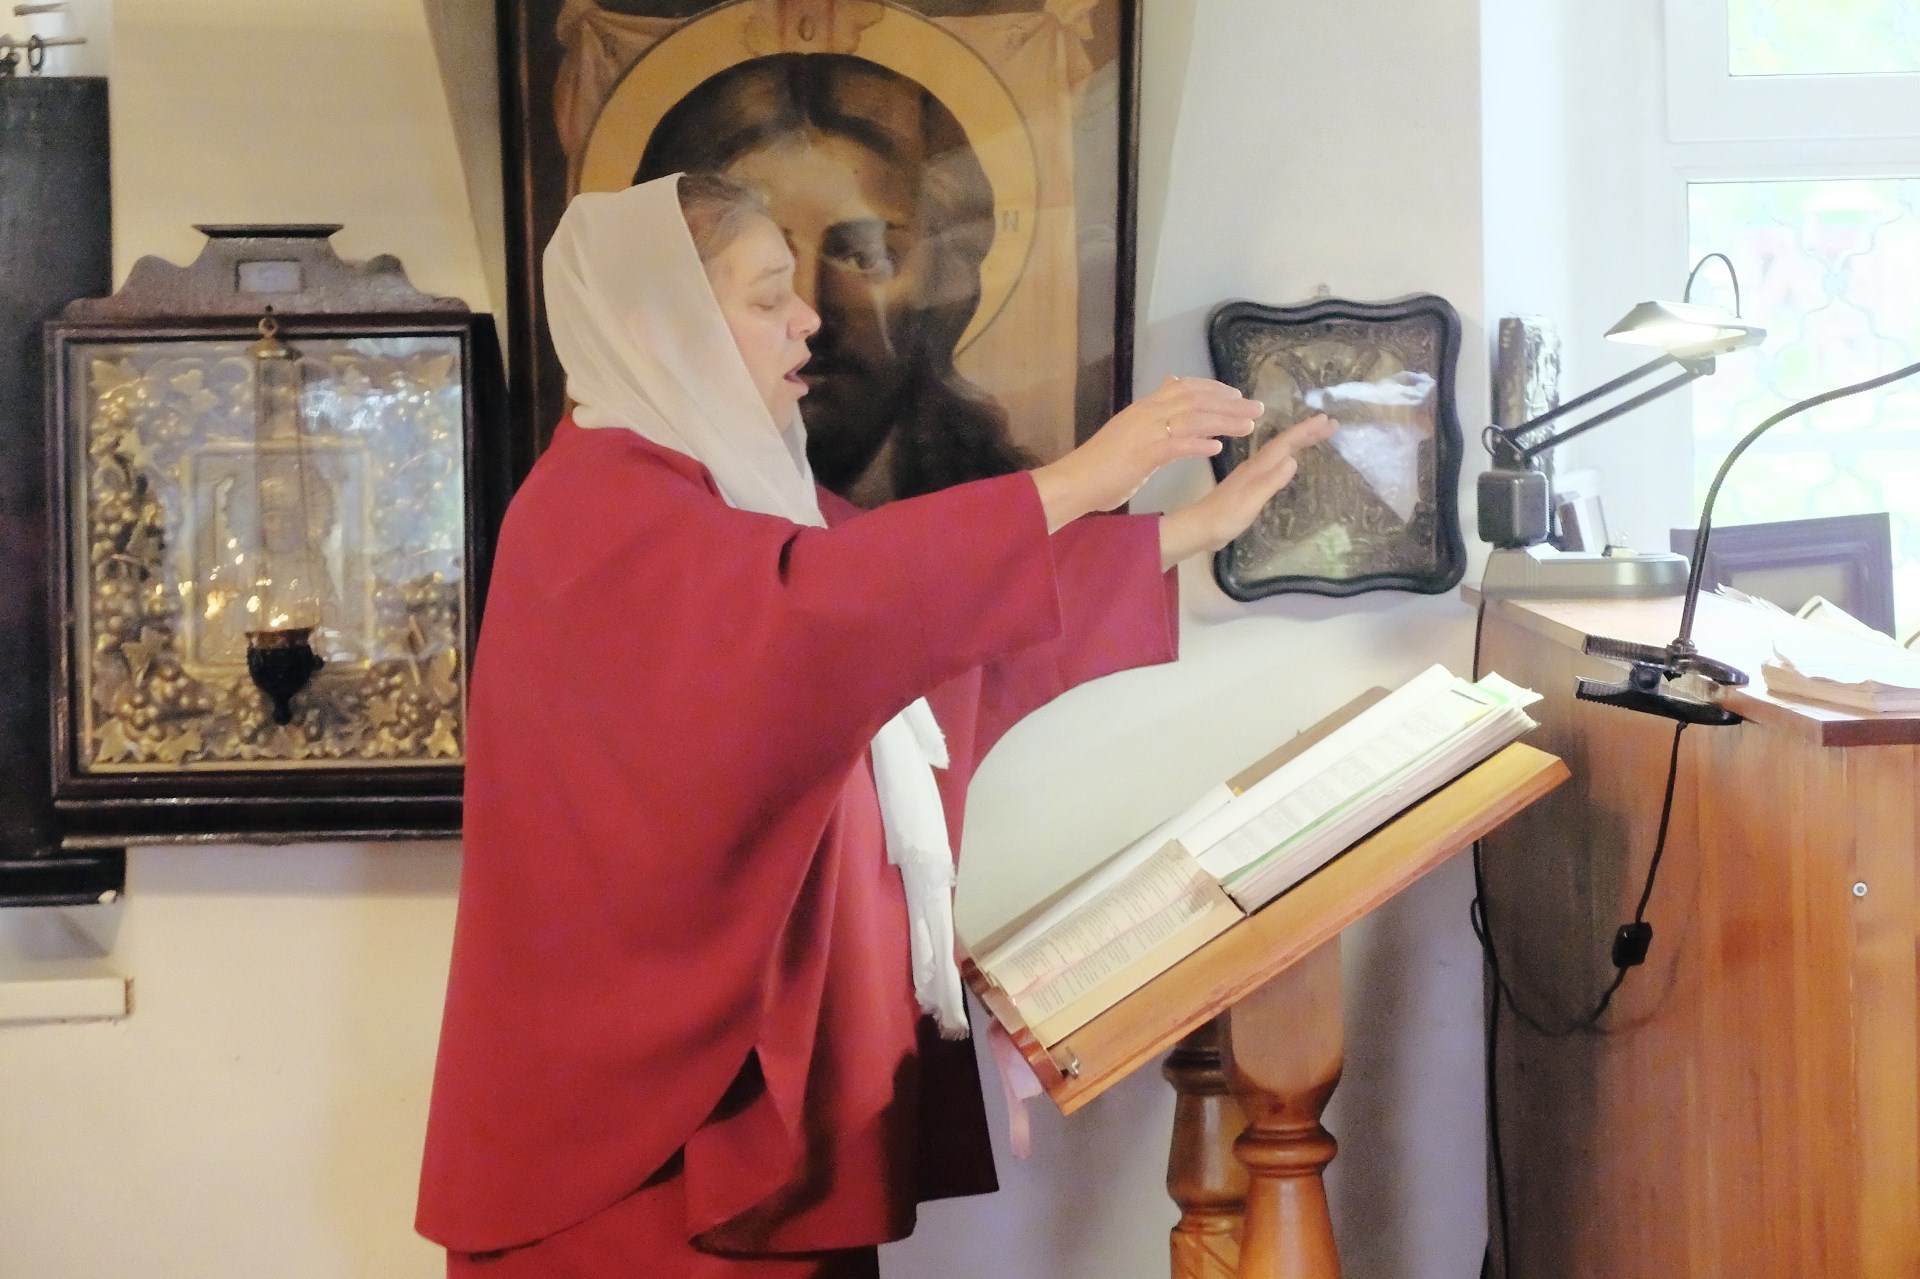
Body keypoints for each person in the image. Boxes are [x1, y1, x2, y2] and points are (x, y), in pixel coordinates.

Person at [415, 171, 1333, 1277]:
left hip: (776, 1065)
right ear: (660, 327)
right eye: (766, 298)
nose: (807, 318)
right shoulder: (598, 507)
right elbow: (827, 612)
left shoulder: (742, 494)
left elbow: (929, 619)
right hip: (657, 1127)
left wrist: (1190, 529)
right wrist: (1081, 478)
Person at [636, 53, 1022, 506]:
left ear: (942, 276)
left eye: (864, 256)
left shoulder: (999, 515)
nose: (810, 312)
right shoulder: (639, 507)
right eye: (759, 264)